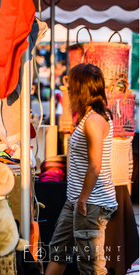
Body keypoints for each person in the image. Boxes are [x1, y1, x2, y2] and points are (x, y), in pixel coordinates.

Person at [45, 63, 118, 275]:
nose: (67, 88)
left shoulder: (94, 120)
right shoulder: (90, 115)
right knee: (58, 252)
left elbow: (95, 165)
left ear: (80, 87)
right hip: (77, 199)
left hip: (90, 202)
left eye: (71, 83)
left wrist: (83, 199)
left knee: (90, 266)